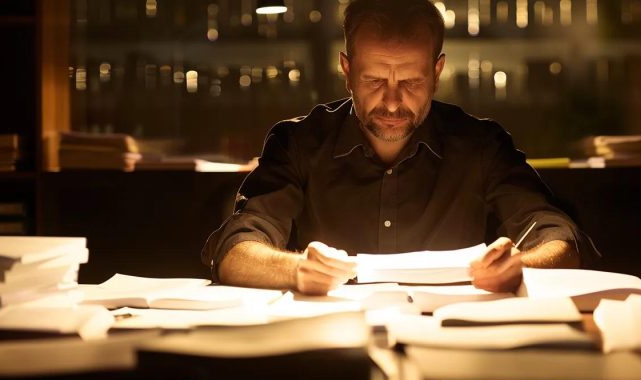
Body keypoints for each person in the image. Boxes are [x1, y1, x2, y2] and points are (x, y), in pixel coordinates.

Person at [202, 0, 598, 295]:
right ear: (346, 71)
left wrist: (519, 267)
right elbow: (235, 250)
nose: (392, 102)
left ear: (437, 71)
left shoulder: (481, 145)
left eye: (410, 82)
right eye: (375, 81)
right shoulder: (299, 143)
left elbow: (561, 239)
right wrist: (296, 270)